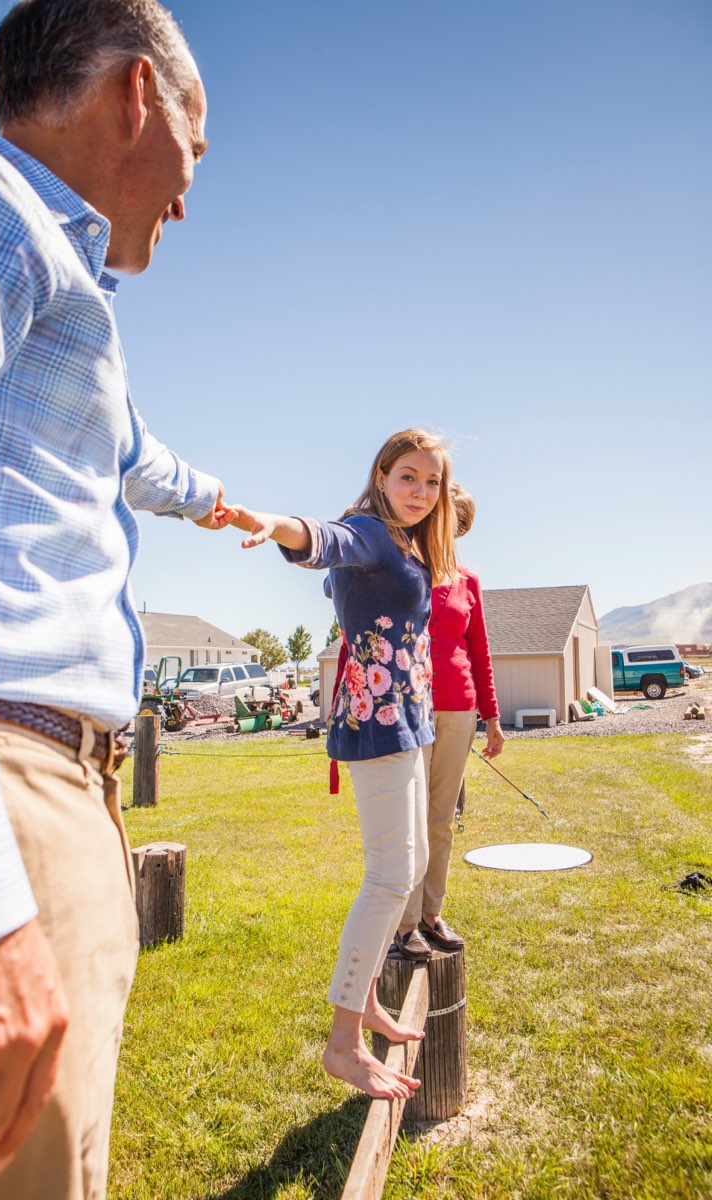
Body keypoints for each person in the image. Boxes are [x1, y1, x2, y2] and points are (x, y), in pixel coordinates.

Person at [0, 3, 233, 1197]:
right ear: (137, 96)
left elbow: (135, 456)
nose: (190, 195)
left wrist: (240, 515)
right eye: (196, 150)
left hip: (48, 793)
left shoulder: (56, 285)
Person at [228, 429, 457, 1100]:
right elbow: (322, 538)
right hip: (379, 724)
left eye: (432, 481)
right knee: (390, 876)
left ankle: (367, 1003)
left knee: (408, 869)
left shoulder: (412, 542)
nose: (421, 491)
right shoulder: (372, 532)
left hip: (411, 721)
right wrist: (269, 523)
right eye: (408, 476)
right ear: (381, 476)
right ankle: (343, 1043)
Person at [395, 482, 504, 960]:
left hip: (460, 708)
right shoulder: (403, 572)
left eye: (460, 525)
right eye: (446, 520)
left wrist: (493, 718)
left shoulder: (468, 580)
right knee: (410, 821)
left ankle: (430, 914)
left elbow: (479, 653)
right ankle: (402, 923)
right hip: (410, 706)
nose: (451, 531)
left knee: (441, 820)